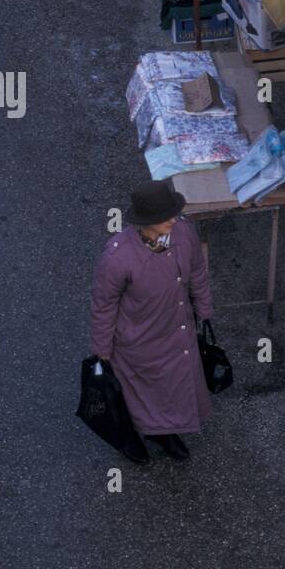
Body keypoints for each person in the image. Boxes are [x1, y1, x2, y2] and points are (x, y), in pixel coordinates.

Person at [90, 180, 214, 463]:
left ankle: (163, 432)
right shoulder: (117, 256)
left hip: (175, 332)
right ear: (146, 222)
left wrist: (204, 310)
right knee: (138, 393)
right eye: (164, 216)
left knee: (170, 387)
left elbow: (197, 271)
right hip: (137, 342)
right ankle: (130, 435)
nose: (173, 219)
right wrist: (101, 353)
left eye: (173, 212)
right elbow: (103, 306)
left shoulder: (184, 232)